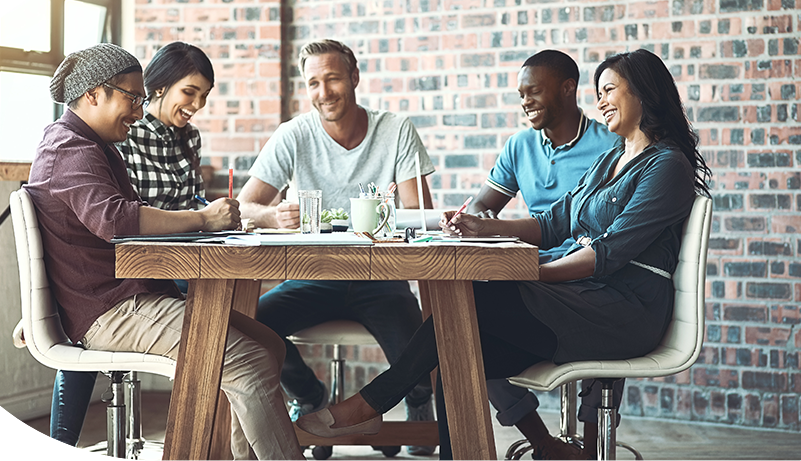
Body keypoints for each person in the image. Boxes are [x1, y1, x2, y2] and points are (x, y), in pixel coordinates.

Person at [296, 47, 711, 461]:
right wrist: (486, 226)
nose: (600, 101)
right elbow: (553, 222)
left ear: (643, 93)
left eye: (610, 90)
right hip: (585, 298)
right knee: (456, 351)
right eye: (598, 92)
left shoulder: (666, 165)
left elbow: (609, 252)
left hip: (622, 310)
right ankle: (429, 437)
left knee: (472, 298)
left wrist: (527, 270)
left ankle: (370, 405)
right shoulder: (611, 161)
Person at [26, 43, 304, 461]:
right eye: (133, 98)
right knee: (246, 360)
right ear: (93, 94)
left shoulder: (92, 146)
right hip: (111, 310)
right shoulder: (68, 147)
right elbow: (117, 220)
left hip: (132, 296)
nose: (139, 111)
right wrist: (203, 220)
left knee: (268, 346)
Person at [237, 38, 437, 455]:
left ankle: (418, 400)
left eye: (332, 79)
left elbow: (420, 216)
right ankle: (310, 395)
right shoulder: (293, 134)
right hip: (314, 276)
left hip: (381, 278)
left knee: (423, 352)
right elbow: (245, 206)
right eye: (313, 82)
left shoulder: (396, 130)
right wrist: (274, 216)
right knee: (247, 327)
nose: (323, 92)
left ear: (354, 78)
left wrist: (391, 218)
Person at [42, 42, 218, 461]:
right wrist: (203, 220)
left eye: (204, 96)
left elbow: (180, 202)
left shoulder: (163, 138)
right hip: (126, 276)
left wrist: (205, 217)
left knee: (241, 323)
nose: (197, 104)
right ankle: (62, 447)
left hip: (152, 262)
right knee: (229, 341)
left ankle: (207, 443)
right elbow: (117, 219)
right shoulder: (98, 141)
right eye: (189, 92)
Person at [467, 49, 625, 458]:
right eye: (521, 95)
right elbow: (482, 207)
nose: (525, 102)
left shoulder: (612, 146)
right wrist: (472, 219)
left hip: (586, 271)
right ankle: (544, 444)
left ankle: (590, 451)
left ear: (568, 88)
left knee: (604, 296)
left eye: (533, 92)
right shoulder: (520, 146)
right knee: (460, 320)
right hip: (531, 270)